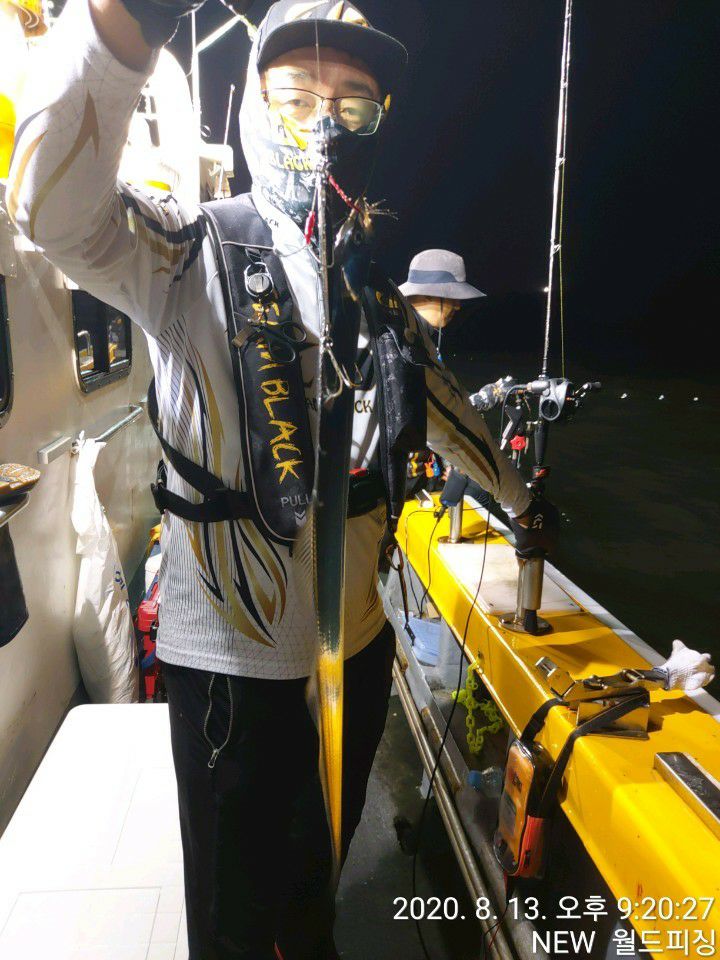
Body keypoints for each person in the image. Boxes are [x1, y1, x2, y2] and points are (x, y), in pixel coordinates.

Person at [8, 2, 556, 957]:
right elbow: (52, 212)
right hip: (229, 661)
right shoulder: (183, 250)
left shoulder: (371, 286)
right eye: (298, 95)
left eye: (354, 105)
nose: (326, 123)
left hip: (359, 643)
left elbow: (445, 407)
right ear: (255, 107)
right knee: (232, 911)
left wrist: (519, 497)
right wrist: (118, 27)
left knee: (318, 872)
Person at [401, 249, 485, 496]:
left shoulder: (422, 338)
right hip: (400, 489)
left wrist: (446, 461)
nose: (458, 305)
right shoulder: (405, 344)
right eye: (452, 296)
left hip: (421, 478)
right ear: (429, 293)